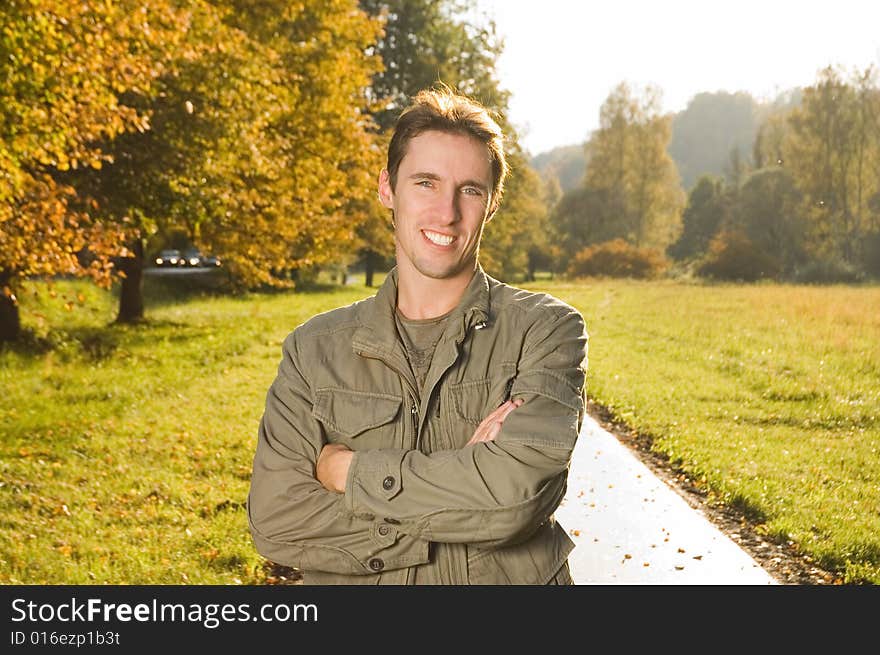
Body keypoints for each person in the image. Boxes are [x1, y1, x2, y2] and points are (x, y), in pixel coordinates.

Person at [247, 84, 588, 584]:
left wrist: (348, 474)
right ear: (387, 188)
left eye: (469, 189)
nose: (446, 212)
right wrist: (466, 506)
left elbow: (516, 498)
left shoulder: (546, 330)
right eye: (425, 182)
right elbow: (277, 520)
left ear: (491, 204)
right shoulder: (313, 350)